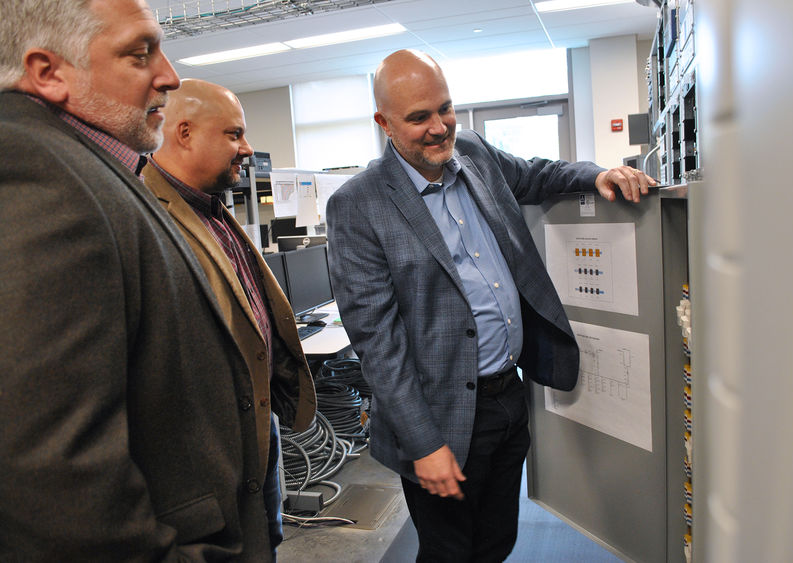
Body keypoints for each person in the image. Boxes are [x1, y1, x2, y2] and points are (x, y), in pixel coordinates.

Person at [0, 1, 314, 560]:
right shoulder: (38, 171)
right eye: (140, 53)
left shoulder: (95, 173)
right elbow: (51, 470)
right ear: (49, 72)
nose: (168, 75)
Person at [325, 49, 655, 562]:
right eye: (419, 118)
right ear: (383, 123)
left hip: (507, 396)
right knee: (449, 551)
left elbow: (537, 175)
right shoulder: (358, 204)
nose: (439, 128)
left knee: (498, 541)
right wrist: (423, 443)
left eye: (445, 109)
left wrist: (595, 174)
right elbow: (377, 341)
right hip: (440, 416)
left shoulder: (473, 152)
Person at [141, 78, 317, 552]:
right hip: (209, 458)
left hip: (257, 436)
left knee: (265, 542)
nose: (248, 148)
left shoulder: (213, 208)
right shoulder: (145, 215)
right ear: (184, 133)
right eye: (234, 134)